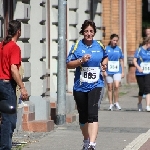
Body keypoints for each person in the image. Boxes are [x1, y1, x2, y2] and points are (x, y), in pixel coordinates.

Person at [66, 20, 108, 150]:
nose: (88, 34)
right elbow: (68, 64)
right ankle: (86, 139)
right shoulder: (77, 46)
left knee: (92, 114)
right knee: (83, 116)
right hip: (80, 85)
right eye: (86, 31)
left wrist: (104, 64)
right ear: (82, 32)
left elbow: (105, 57)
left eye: (91, 31)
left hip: (96, 84)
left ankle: (92, 144)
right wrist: (81, 61)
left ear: (94, 32)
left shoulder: (99, 45)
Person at [0, 20, 28, 150]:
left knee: (3, 118)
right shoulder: (14, 47)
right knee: (9, 121)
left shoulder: (1, 45)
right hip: (6, 86)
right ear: (19, 32)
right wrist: (22, 87)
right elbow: (13, 69)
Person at [104, 34, 124, 111]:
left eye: (116, 40)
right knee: (109, 87)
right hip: (108, 70)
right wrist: (104, 71)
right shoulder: (106, 49)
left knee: (116, 86)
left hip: (117, 70)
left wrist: (122, 71)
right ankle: (110, 104)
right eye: (114, 40)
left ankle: (116, 102)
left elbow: (121, 60)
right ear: (111, 40)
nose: (115, 42)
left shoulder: (119, 49)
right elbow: (103, 60)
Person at [133, 37, 150, 112]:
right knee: (142, 89)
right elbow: (134, 60)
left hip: (148, 72)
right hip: (140, 73)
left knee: (148, 88)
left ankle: (148, 106)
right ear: (147, 43)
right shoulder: (139, 50)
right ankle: (139, 103)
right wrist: (138, 67)